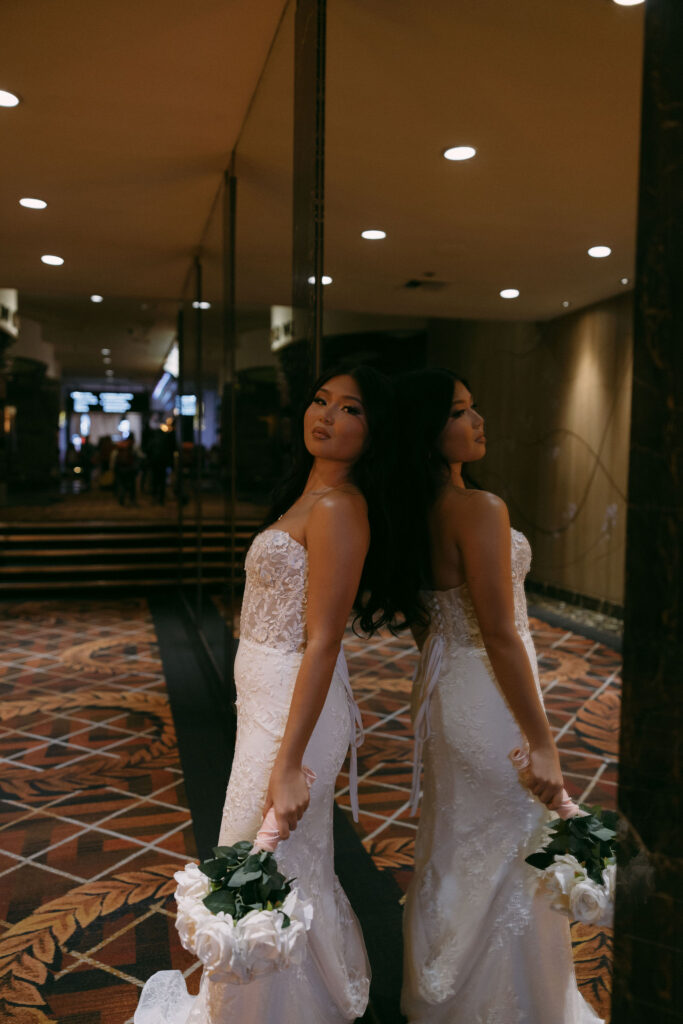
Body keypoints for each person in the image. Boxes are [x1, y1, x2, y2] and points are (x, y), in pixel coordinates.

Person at [136, 366, 402, 1024]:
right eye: (320, 401)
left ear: (374, 433)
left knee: (251, 858)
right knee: (281, 862)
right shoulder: (307, 497)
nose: (327, 415)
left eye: (350, 409)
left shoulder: (341, 506)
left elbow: (324, 641)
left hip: (296, 709)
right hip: (265, 700)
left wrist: (288, 764)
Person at [397, 369, 603, 1024]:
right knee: (511, 851)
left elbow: (428, 620)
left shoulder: (416, 510)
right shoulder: (478, 508)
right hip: (489, 691)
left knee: (461, 844)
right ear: (428, 432)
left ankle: (451, 998)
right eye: (460, 412)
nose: (478, 421)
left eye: (475, 407)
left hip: (447, 688)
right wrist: (542, 741)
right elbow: (499, 632)